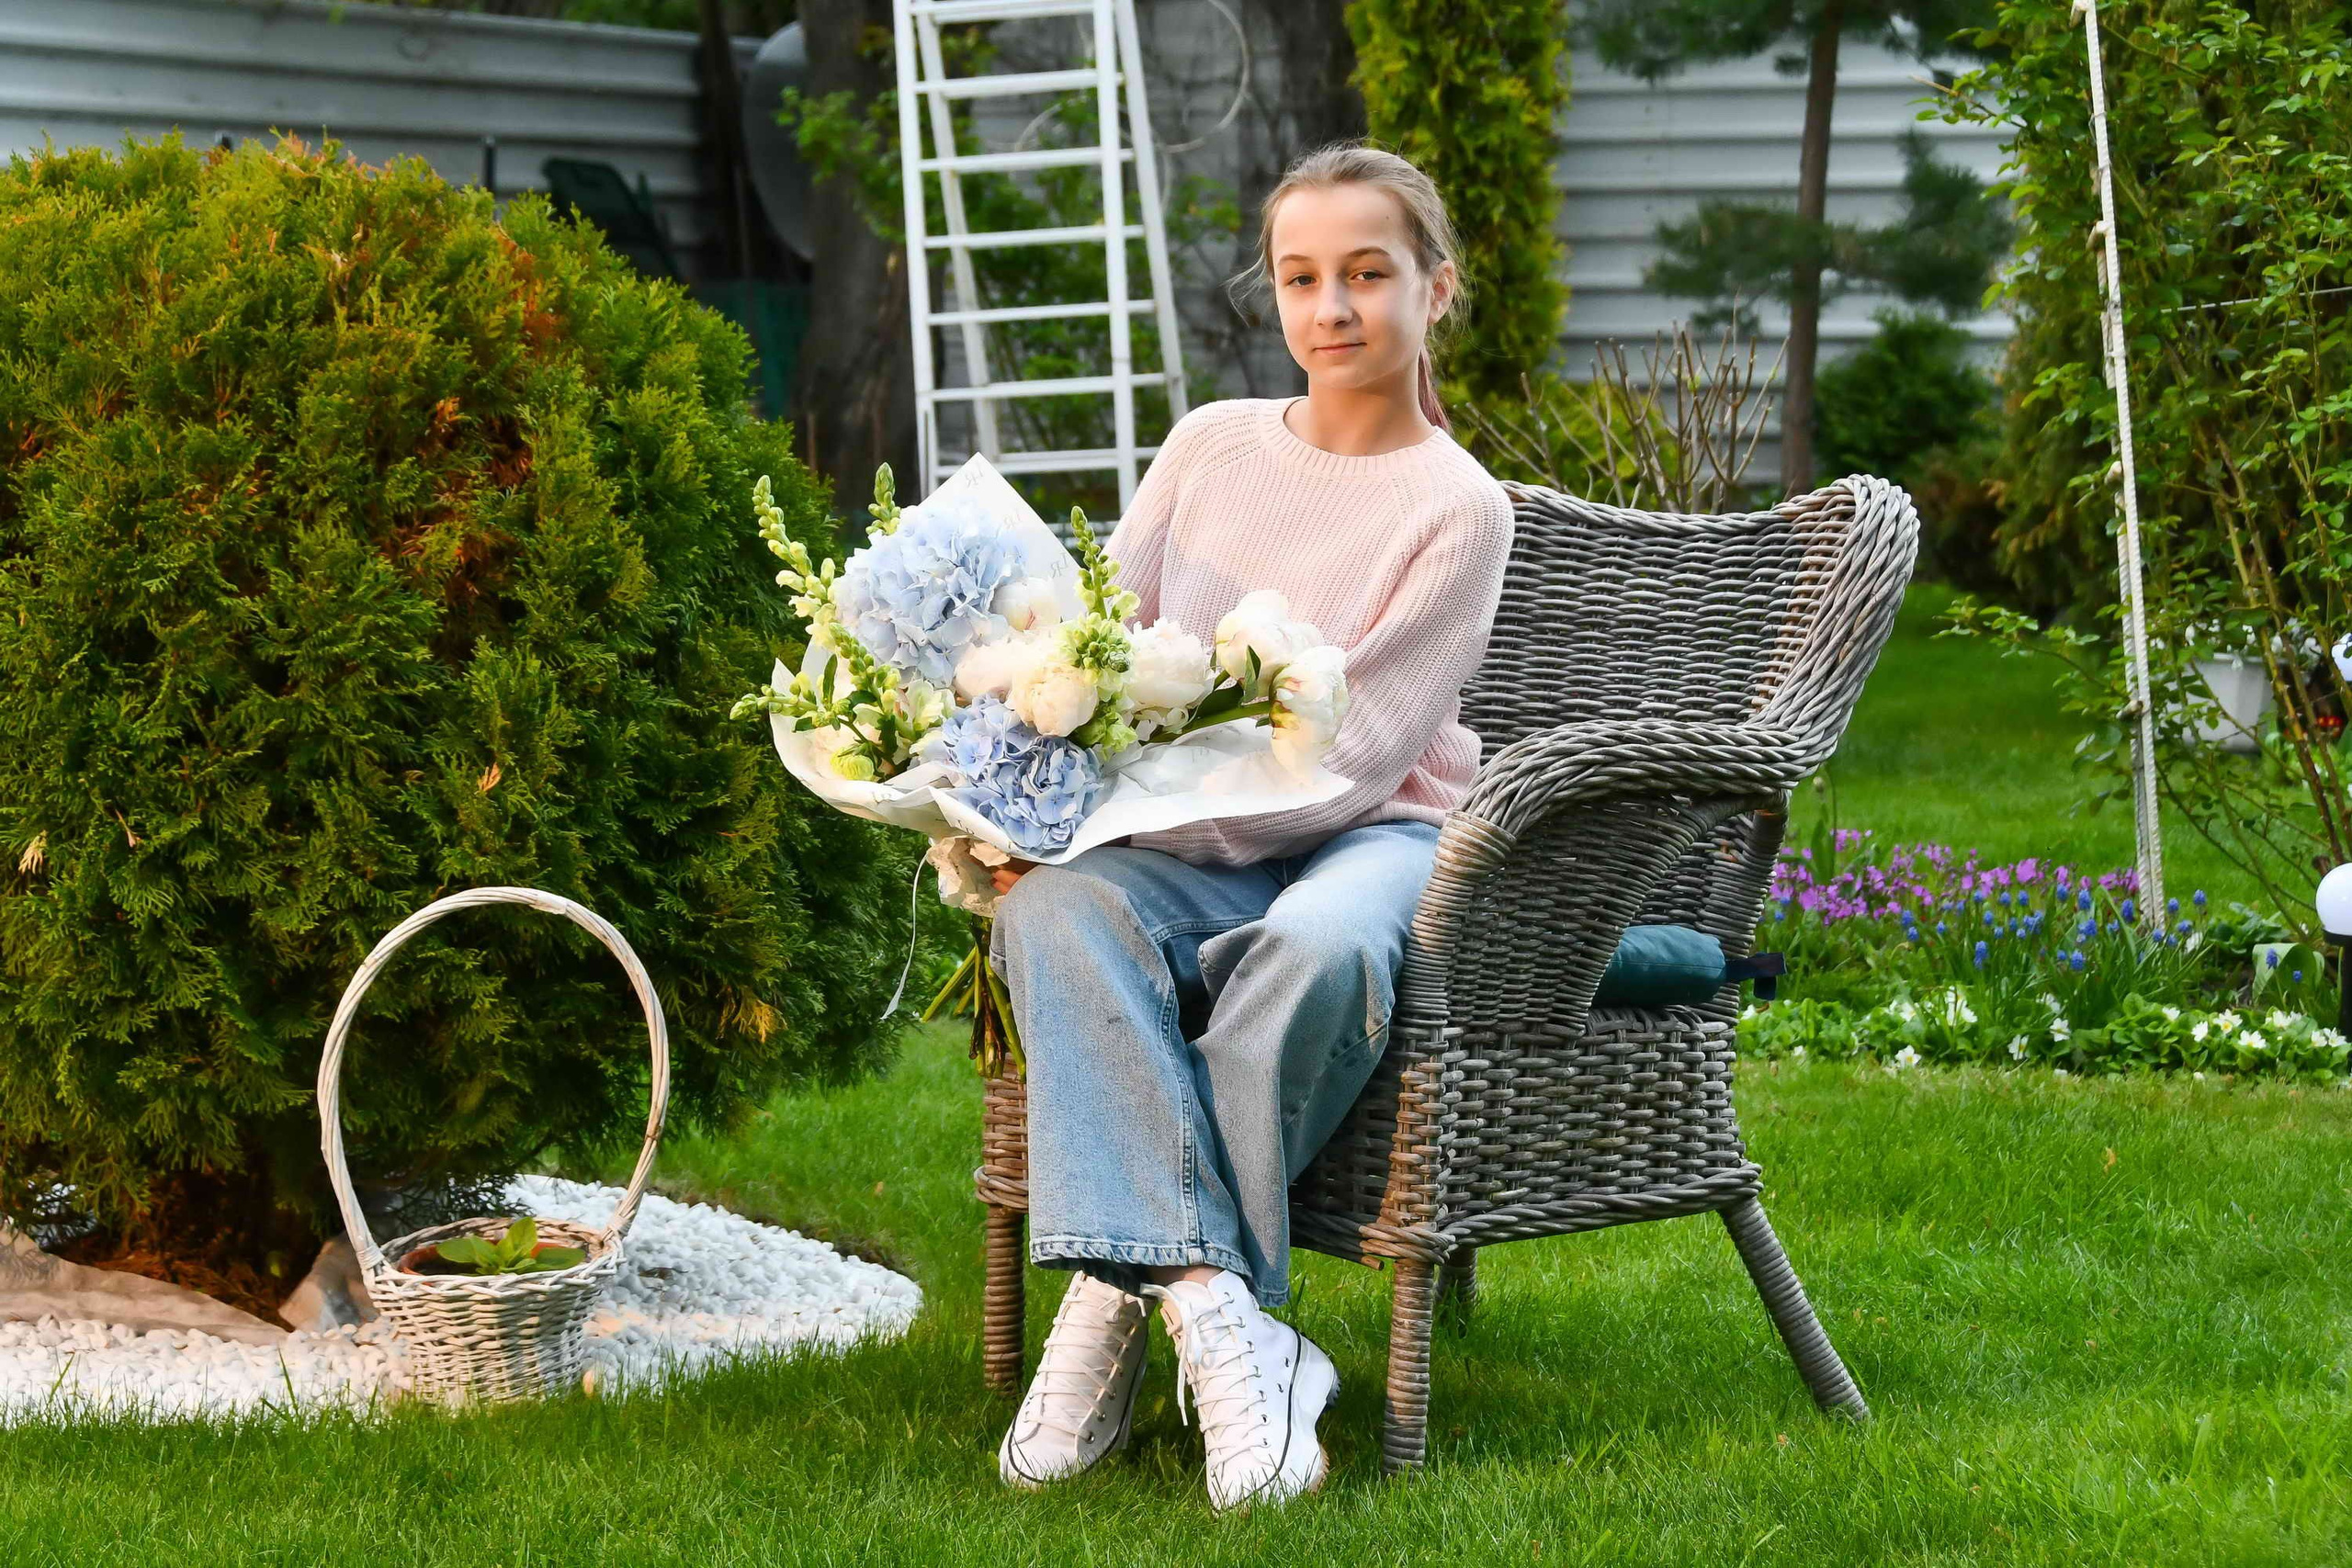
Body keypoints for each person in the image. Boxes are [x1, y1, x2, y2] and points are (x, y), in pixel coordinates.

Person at [986, 142, 1513, 1510]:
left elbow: (1349, 763)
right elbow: (1099, 642)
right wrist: (1034, 820)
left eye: (1367, 274)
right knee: (1050, 908)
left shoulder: (1460, 507)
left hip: (1373, 829)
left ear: (1436, 290)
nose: (1331, 307)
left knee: (1322, 951)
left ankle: (1114, 1287)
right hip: (1186, 817)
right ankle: (1220, 1318)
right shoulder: (1213, 445)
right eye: (1301, 277)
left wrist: (1132, 829)